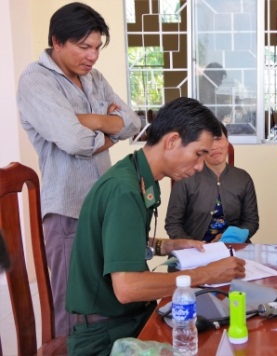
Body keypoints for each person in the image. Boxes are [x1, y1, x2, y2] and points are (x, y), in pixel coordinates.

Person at [65, 97, 246, 355]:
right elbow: (128, 287)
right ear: (172, 141)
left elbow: (120, 241)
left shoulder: (137, 175)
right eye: (198, 154)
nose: (198, 167)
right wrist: (207, 274)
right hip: (106, 336)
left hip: (127, 319)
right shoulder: (124, 191)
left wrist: (167, 245)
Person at [16, 2, 141, 337]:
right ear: (57, 42)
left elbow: (133, 122)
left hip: (103, 206)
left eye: (97, 47)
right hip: (68, 212)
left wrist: (92, 121)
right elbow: (74, 141)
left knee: (105, 302)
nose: (93, 56)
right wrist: (109, 129)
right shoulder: (35, 80)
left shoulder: (94, 78)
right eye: (84, 47)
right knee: (73, 307)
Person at [165, 123, 259, 243]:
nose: (214, 146)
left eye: (218, 139)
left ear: (227, 141)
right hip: (194, 252)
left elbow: (251, 222)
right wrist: (193, 245)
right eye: (208, 142)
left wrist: (231, 239)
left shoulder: (243, 178)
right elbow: (173, 224)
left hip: (233, 248)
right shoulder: (185, 177)